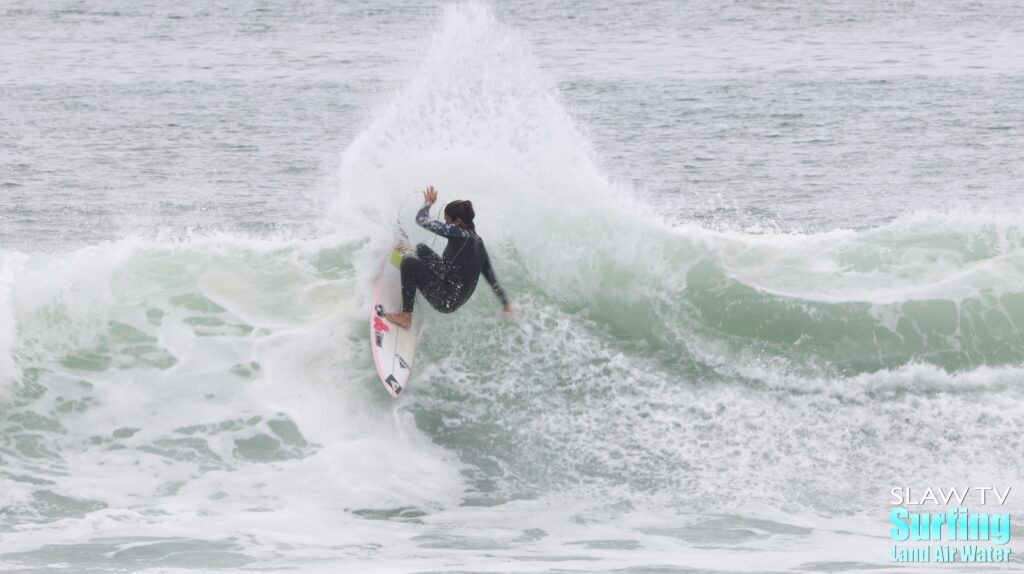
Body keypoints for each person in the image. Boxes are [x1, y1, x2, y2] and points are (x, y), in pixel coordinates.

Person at [384, 185, 513, 329]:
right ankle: (413, 282)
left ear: (457, 222)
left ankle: (406, 317)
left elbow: (421, 219)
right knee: (421, 249)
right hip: (452, 288)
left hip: (446, 299)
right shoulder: (479, 242)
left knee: (409, 262)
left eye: (447, 221)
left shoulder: (457, 232)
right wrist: (505, 302)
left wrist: (428, 203)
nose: (445, 224)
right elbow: (491, 276)